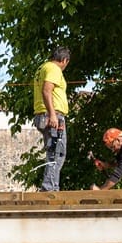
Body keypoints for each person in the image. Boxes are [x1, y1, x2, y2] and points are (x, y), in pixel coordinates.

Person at [32, 47, 71, 191]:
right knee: (57, 152)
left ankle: (51, 186)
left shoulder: (42, 68)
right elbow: (46, 90)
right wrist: (53, 114)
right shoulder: (54, 69)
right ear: (64, 60)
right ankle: (50, 188)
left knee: (53, 151)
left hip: (43, 114)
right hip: (52, 116)